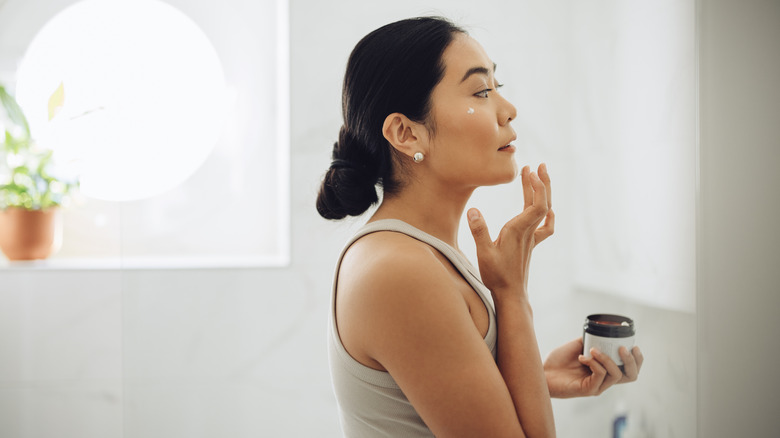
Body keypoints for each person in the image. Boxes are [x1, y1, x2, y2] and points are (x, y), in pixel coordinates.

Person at [317, 16, 643, 437]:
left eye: (497, 88)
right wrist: (511, 295)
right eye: (481, 91)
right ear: (406, 133)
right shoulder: (400, 270)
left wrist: (538, 379)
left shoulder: (417, 255)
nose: (508, 110)